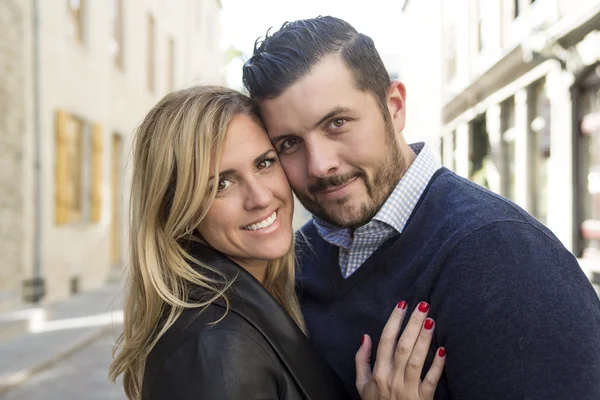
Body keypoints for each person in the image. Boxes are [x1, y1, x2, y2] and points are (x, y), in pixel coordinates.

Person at [242, 16, 600, 400]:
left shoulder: (506, 258)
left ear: (394, 107)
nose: (319, 165)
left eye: (337, 123)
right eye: (290, 144)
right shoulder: (295, 261)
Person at [108, 86, 446, 400]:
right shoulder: (213, 350)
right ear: (177, 209)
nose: (260, 197)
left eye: (264, 163)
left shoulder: (255, 300)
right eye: (222, 183)